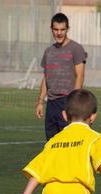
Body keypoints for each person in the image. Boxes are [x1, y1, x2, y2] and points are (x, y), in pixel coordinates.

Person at [36, 13, 86, 141]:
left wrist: (74, 102)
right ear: (51, 29)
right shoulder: (49, 51)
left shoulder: (76, 48)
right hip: (51, 104)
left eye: (62, 29)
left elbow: (80, 75)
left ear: (67, 29)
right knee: (52, 143)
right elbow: (46, 77)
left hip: (67, 103)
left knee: (69, 143)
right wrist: (40, 102)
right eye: (56, 29)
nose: (59, 33)